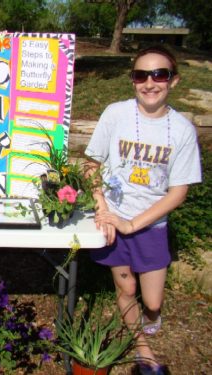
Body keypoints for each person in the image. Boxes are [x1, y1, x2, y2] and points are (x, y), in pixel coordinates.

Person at [84, 45, 201, 375]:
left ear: (173, 81)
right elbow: (92, 164)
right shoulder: (116, 114)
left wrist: (132, 224)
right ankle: (142, 350)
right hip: (112, 218)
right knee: (127, 289)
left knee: (151, 302)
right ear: (133, 80)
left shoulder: (182, 131)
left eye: (159, 74)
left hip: (150, 227)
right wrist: (103, 208)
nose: (150, 83)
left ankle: (151, 318)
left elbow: (178, 192)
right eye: (140, 75)